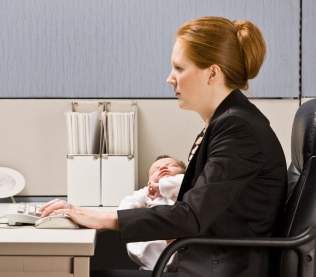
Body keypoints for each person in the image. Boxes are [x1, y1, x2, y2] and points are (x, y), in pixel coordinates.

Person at [40, 16, 287, 276]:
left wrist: (98, 217)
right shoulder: (226, 121)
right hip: (202, 260)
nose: (170, 79)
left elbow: (189, 216)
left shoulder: (238, 129)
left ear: (212, 73)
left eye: (179, 68)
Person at [118, 155, 186, 272]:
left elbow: (184, 181)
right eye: (155, 170)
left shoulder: (186, 187)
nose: (163, 167)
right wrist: (149, 192)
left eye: (172, 165)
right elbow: (124, 209)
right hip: (150, 254)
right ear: (149, 182)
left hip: (180, 250)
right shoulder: (147, 194)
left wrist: (161, 187)